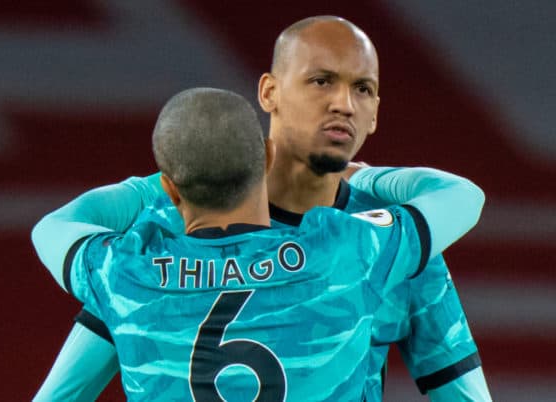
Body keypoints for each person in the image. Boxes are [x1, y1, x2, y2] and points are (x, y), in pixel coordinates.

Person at [32, 16, 492, 401]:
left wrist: (163, 183)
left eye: (363, 89)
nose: (343, 104)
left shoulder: (148, 251)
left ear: (375, 112)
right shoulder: (377, 244)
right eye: (321, 80)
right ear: (269, 92)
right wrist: (373, 176)